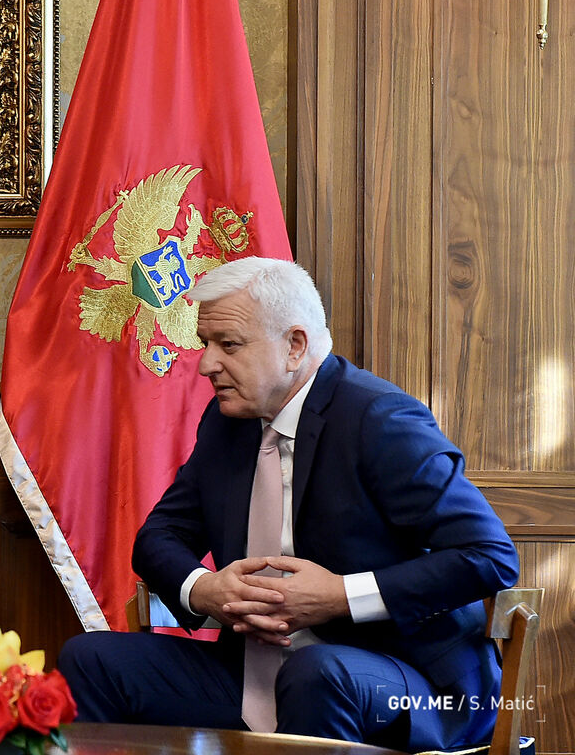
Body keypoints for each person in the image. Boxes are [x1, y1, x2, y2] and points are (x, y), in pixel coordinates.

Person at [58, 257, 518, 750]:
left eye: (228, 345)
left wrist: (339, 595)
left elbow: (489, 557)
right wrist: (205, 589)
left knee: (317, 673)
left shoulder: (379, 419)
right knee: (91, 659)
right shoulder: (227, 422)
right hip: (254, 674)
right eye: (205, 343)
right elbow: (159, 537)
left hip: (408, 679)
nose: (206, 364)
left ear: (295, 346)